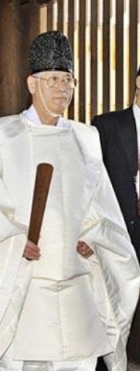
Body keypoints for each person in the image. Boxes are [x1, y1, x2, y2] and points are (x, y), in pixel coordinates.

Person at [0, 30, 140, 371]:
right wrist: (15, 241)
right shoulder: (4, 138)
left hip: (78, 291)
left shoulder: (86, 139)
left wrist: (95, 240)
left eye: (68, 80)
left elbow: (102, 211)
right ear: (32, 84)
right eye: (53, 79)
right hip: (26, 292)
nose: (62, 88)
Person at [92, 66, 140, 363]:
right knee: (110, 301)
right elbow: (90, 180)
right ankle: (102, 361)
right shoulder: (107, 125)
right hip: (116, 228)